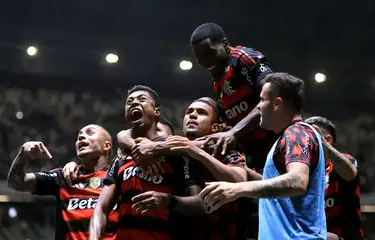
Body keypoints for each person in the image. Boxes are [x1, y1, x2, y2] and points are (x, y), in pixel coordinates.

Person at [200, 73, 327, 239]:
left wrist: (237, 189)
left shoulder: (296, 132)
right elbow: (284, 192)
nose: (258, 107)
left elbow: (297, 181)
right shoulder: (290, 136)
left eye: (261, 100)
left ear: (277, 103)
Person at [89, 85, 205, 240]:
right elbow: (101, 208)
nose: (134, 103)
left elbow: (200, 205)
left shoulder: (177, 152)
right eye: (129, 101)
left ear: (156, 111)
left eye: (141, 99)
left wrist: (167, 200)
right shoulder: (122, 155)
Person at [132, 97, 251, 239]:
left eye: (201, 113)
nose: (192, 115)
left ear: (216, 127)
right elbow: (127, 136)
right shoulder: (171, 149)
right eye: (189, 112)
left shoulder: (227, 152)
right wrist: (144, 151)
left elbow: (240, 182)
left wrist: (197, 152)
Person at [7, 124, 117, 240]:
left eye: (90, 133)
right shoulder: (63, 177)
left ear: (107, 146)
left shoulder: (118, 178)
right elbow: (16, 183)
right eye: (79, 136)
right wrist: (23, 155)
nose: (81, 137)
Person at [190, 22, 276, 170]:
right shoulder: (217, 80)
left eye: (210, 53)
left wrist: (233, 132)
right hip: (257, 156)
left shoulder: (243, 58)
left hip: (278, 144)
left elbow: (273, 96)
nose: (206, 62)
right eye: (200, 58)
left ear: (225, 44)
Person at [305, 116, 364, 240]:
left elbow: (349, 173)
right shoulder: (303, 173)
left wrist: (322, 144)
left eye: (308, 138)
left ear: (327, 140)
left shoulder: (345, 161)